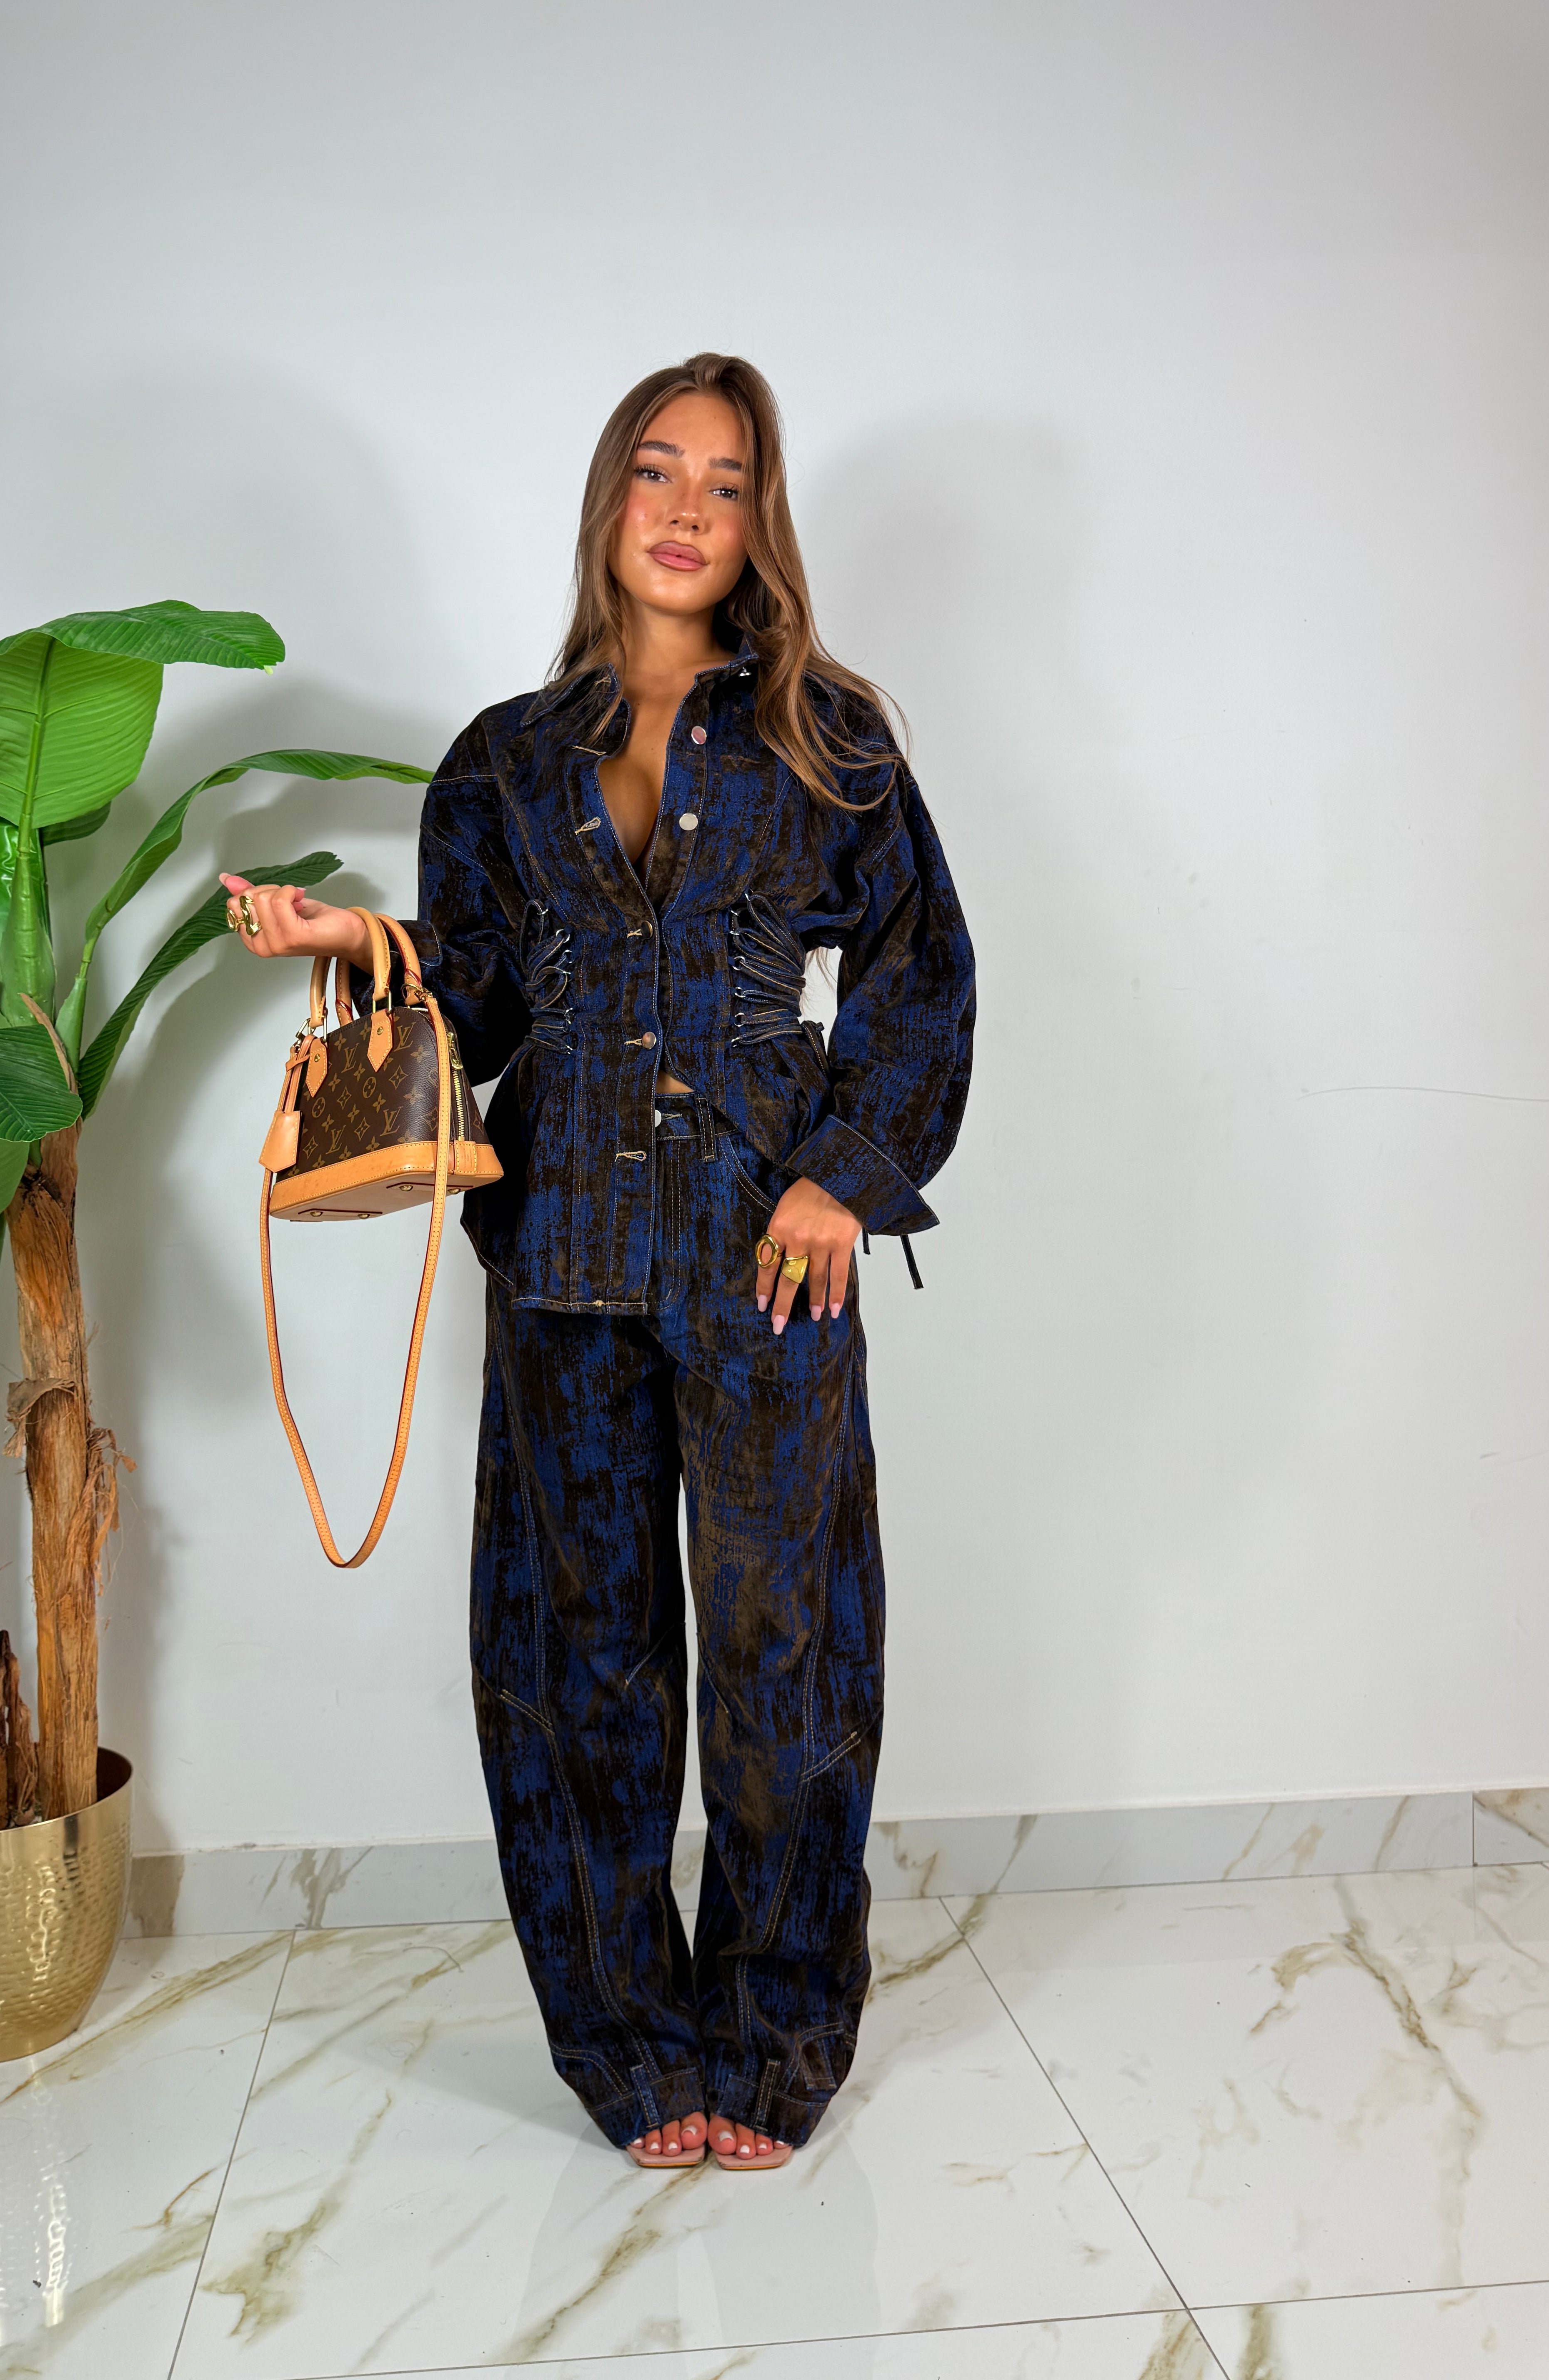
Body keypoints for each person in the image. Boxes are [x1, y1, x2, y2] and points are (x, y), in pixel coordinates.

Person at [223, 353, 975, 2173]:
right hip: (560, 1253)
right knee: (580, 1663)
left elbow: (920, 972)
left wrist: (842, 1179)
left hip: (766, 1261)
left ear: (759, 520)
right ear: (609, 500)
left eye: (726, 481)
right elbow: (481, 999)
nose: (687, 509)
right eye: (657, 469)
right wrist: (361, 943)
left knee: (788, 1649)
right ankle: (629, 2041)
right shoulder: (505, 757)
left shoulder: (832, 738)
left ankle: (776, 2032)